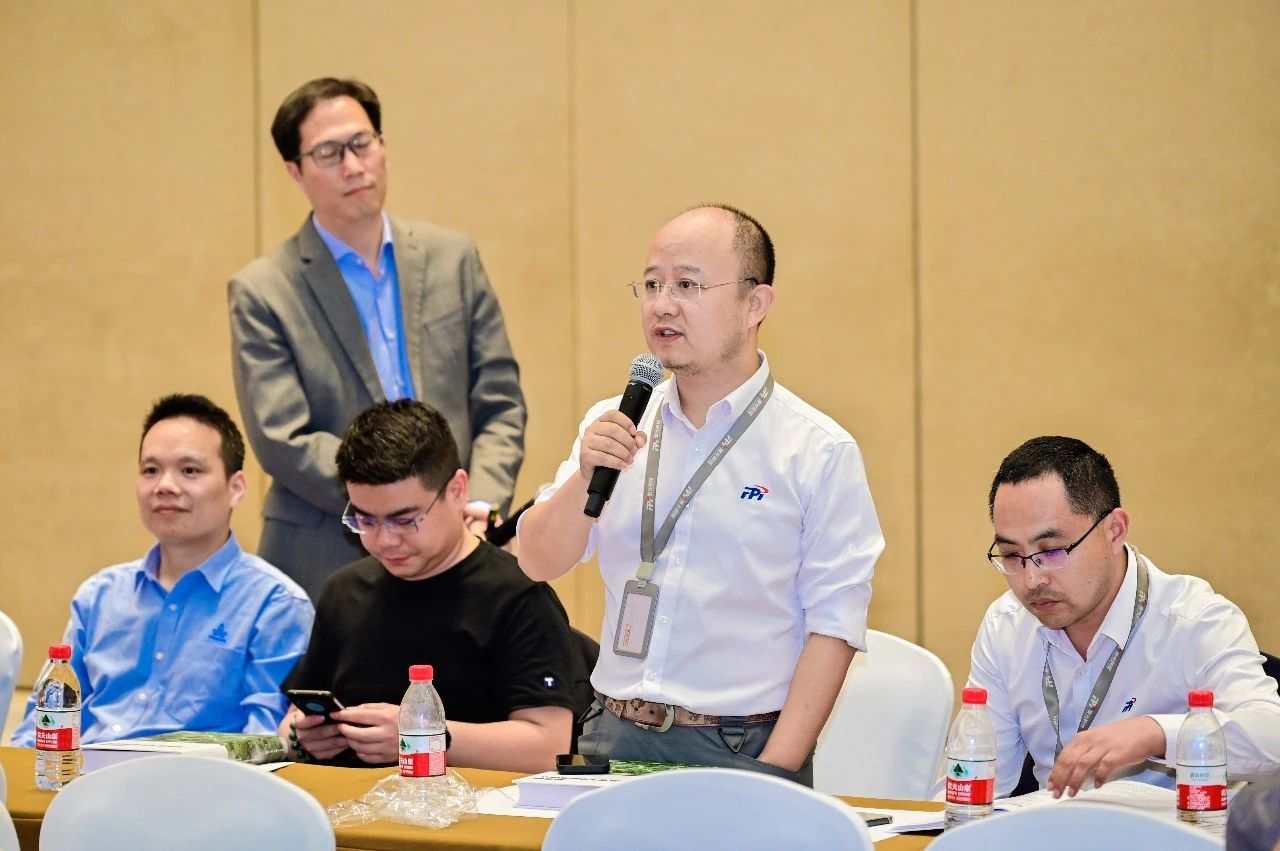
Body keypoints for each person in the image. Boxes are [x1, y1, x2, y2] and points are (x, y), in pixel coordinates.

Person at [517, 204, 884, 786]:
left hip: (740, 744)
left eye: (687, 285)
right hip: (610, 732)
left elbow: (834, 626)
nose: (662, 305)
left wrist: (773, 771)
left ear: (755, 303)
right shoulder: (615, 425)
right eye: (651, 285)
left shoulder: (816, 450)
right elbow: (537, 561)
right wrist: (585, 475)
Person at [228, 77, 525, 600]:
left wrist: (475, 503)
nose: (352, 165)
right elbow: (284, 438)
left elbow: (499, 399)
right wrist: (400, 508)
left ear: (382, 146)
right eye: (328, 152)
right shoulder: (264, 290)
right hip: (328, 553)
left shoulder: (452, 258)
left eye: (361, 143)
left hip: (462, 540)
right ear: (294, 171)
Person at [968, 435, 1280, 797]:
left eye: (1051, 550)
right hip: (1050, 824)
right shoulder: (1005, 625)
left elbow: (1271, 736)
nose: (1032, 580)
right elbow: (975, 782)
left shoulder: (1195, 620)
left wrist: (1156, 733)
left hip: (1171, 827)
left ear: (1114, 530)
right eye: (1011, 556)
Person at [280, 400, 578, 773]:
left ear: (457, 490)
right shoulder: (344, 591)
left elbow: (547, 747)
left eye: (405, 520)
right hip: (350, 800)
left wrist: (423, 736)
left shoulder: (517, 595)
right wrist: (302, 738)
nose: (385, 541)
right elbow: (292, 722)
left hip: (474, 803)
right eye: (365, 520)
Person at [12, 394, 313, 746]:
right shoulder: (99, 596)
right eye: (150, 470)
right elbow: (41, 726)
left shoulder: (276, 604)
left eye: (190, 470)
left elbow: (265, 743)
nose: (165, 486)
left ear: (236, 488)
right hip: (86, 775)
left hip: (201, 779)